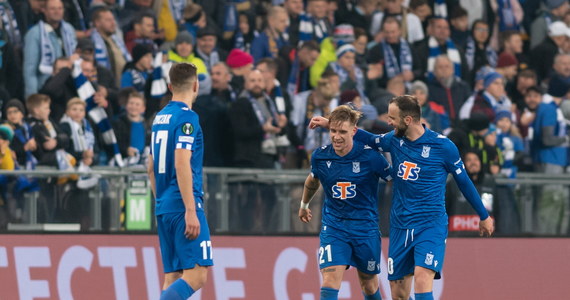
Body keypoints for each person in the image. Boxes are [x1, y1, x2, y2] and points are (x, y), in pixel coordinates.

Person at [310, 95, 494, 300]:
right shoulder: (394, 140)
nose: (388, 122)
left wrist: (483, 215)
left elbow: (464, 182)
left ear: (407, 120)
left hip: (430, 223)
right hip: (400, 226)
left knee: (423, 278)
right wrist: (332, 124)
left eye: (392, 118)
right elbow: (371, 139)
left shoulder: (444, 147)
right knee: (398, 294)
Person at [299, 105, 391, 300]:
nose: (336, 137)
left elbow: (395, 181)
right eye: (333, 131)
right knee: (330, 279)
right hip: (334, 226)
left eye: (342, 132)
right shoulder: (320, 156)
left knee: (368, 283)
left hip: (365, 228)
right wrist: (304, 205)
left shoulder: (371, 157)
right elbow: (313, 180)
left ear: (354, 132)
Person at [147, 63, 213, 299]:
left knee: (173, 277)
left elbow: (151, 167)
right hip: (183, 204)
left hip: (165, 205)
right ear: (196, 85)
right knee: (197, 275)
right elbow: (181, 162)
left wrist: (161, 201)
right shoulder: (188, 117)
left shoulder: (160, 117)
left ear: (169, 86)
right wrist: (189, 209)